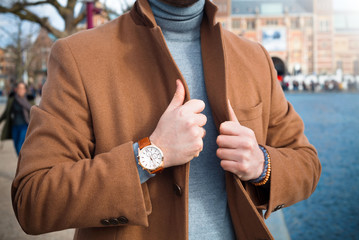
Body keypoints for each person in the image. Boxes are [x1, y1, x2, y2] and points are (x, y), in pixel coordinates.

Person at [11, 0, 321, 239]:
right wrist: (150, 154)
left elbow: (307, 163)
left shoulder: (255, 57)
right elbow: (33, 199)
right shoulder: (76, 56)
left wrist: (261, 164)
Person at [0, 82, 32, 156]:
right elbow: (6, 113)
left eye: (22, 88)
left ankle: (22, 162)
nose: (21, 90)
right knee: (16, 146)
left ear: (25, 90)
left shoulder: (29, 100)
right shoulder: (12, 100)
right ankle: (22, 161)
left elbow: (35, 112)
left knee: (19, 145)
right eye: (19, 88)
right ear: (16, 89)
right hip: (14, 126)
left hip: (25, 126)